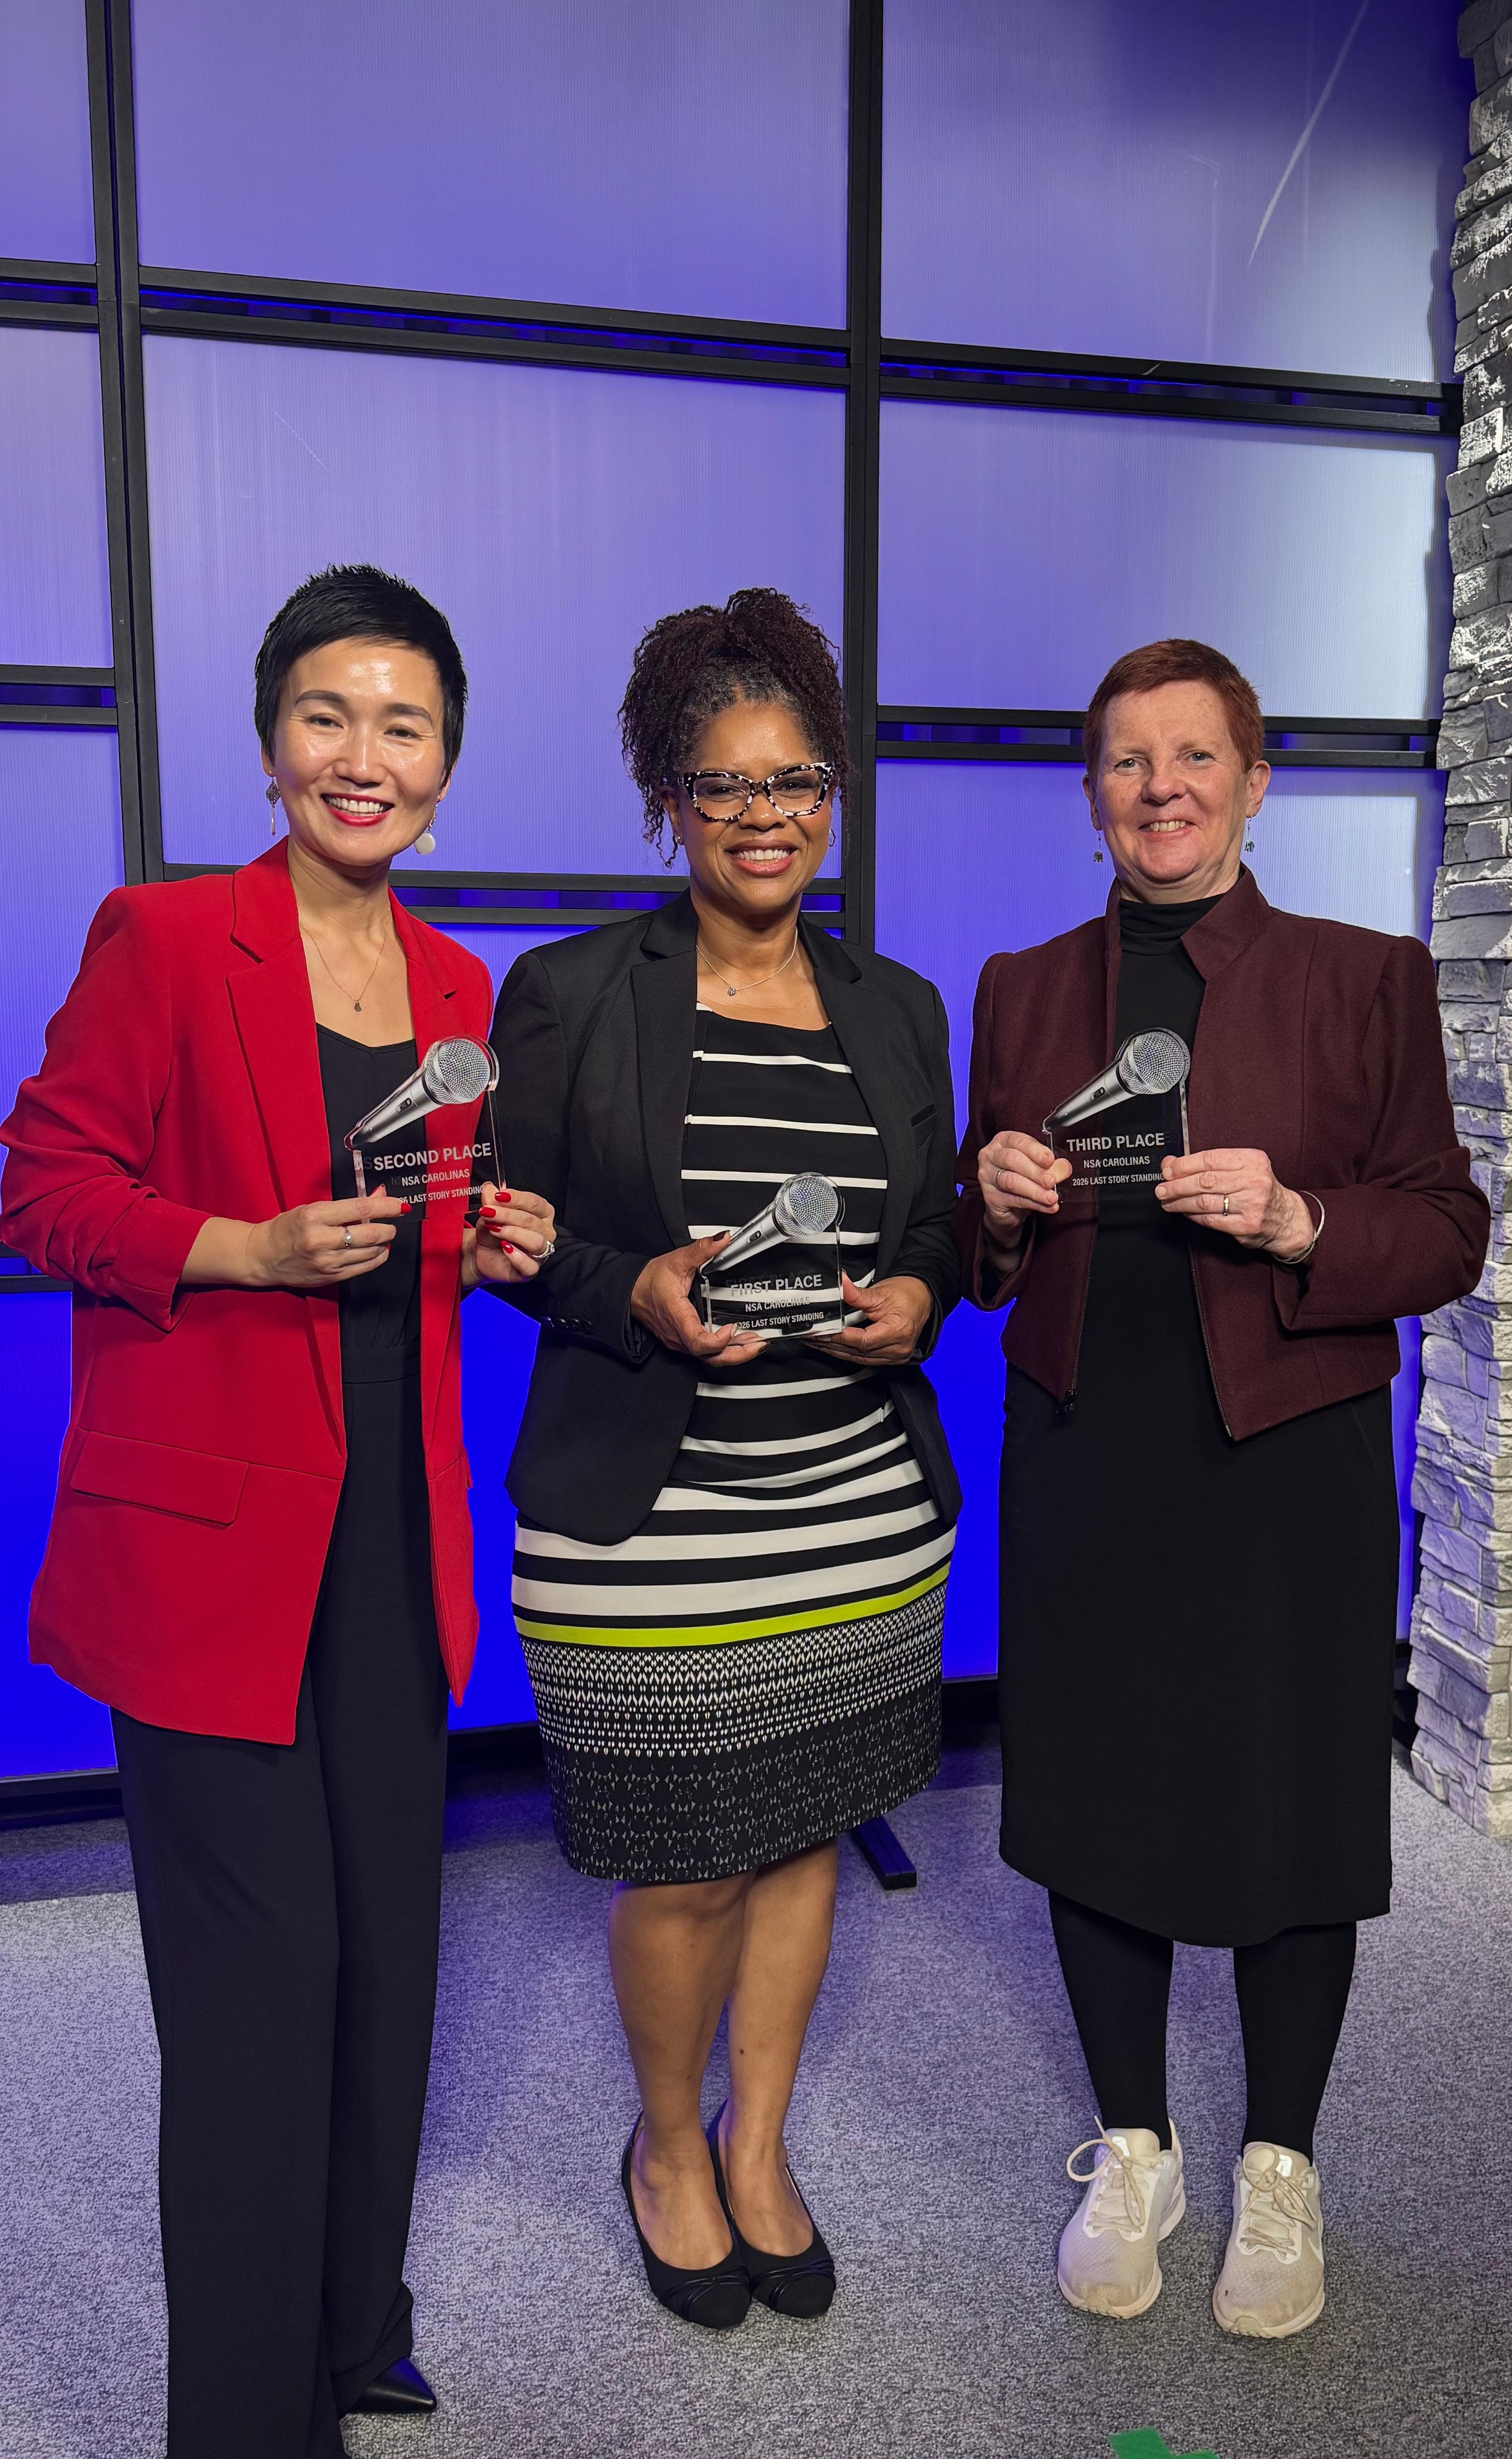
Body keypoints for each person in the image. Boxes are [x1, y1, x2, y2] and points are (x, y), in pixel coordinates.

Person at [0, 566, 554, 2458]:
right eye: (330, 715)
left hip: (393, 1534)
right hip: (208, 1542)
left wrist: (488, 1242)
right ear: (268, 743)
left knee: (393, 1946)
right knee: (259, 1986)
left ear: (446, 766)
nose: (364, 754)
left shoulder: (461, 988)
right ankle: (246, 2421)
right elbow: (41, 1184)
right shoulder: (163, 938)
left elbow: (415, 1249)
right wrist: (237, 1243)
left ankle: (352, 2320)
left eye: (405, 725)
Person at [958, 637, 1488, 2340]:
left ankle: (1280, 2162)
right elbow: (971, 1264)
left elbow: (1448, 1228)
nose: (1162, 788)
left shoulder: (1362, 978)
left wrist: (1303, 1222)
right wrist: (994, 1196)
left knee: (1291, 1812)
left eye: (1196, 758)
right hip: (1084, 1450)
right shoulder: (1023, 986)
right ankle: (1135, 2145)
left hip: (1282, 1463)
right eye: (1127, 760)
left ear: (1256, 786)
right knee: (1096, 1805)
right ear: (1093, 792)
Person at [488, 587, 961, 2330]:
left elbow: (943, 1224)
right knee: (680, 1861)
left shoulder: (896, 1005)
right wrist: (642, 1293)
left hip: (852, 1508)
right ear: (665, 803)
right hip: (648, 1514)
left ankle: (762, 2140)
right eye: (723, 785)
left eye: (797, 781)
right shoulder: (571, 995)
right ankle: (667, 2149)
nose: (766, 816)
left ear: (831, 794)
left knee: (805, 1837)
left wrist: (924, 1283)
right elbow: (511, 1240)